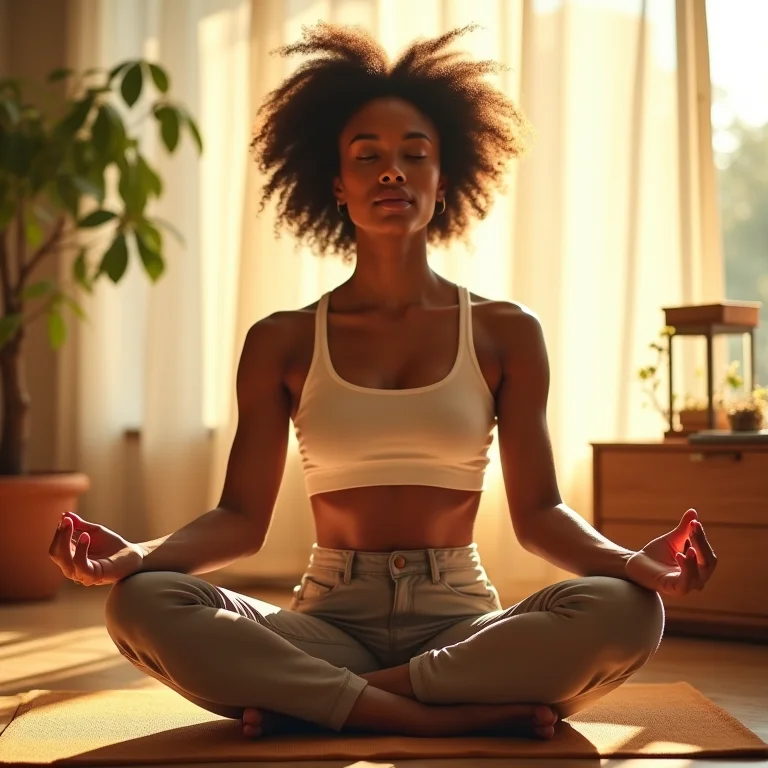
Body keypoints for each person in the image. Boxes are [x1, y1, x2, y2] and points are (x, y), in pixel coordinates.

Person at [49, 23, 717, 741]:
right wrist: (135, 556)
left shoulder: (505, 331)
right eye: (367, 157)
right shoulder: (282, 339)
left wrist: (633, 563)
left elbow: (540, 515)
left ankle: (338, 701)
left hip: (461, 619)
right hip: (329, 617)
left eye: (413, 156)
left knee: (629, 610)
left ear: (444, 177)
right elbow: (240, 520)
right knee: (138, 603)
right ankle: (433, 714)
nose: (391, 172)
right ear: (337, 184)